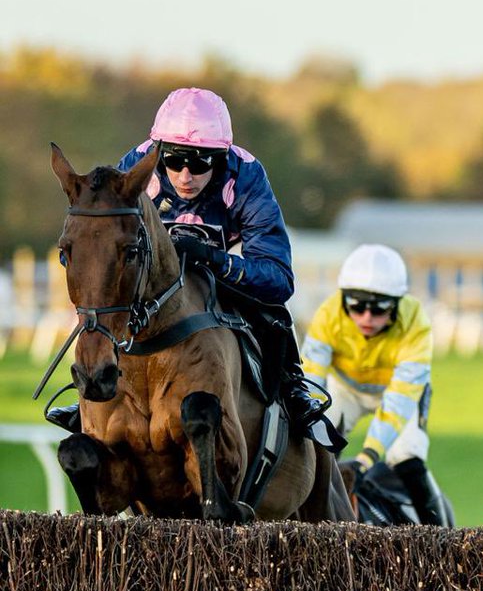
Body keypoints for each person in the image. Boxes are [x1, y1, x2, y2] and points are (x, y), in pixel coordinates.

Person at [46, 87, 327, 434]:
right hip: (159, 279)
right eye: (174, 161)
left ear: (220, 158)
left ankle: (293, 389)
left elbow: (278, 279)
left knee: (272, 312)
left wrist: (213, 259)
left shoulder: (247, 177)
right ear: (158, 154)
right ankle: (92, 394)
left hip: (224, 269)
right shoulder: (137, 164)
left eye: (198, 163)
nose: (184, 175)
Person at [300, 244, 449, 525]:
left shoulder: (416, 322)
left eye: (379, 308)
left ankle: (444, 539)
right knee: (314, 451)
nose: (367, 317)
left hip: (399, 395)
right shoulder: (328, 314)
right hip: (345, 390)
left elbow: (398, 401)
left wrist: (367, 457)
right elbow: (310, 383)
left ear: (396, 304)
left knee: (407, 459)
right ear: (343, 301)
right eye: (356, 306)